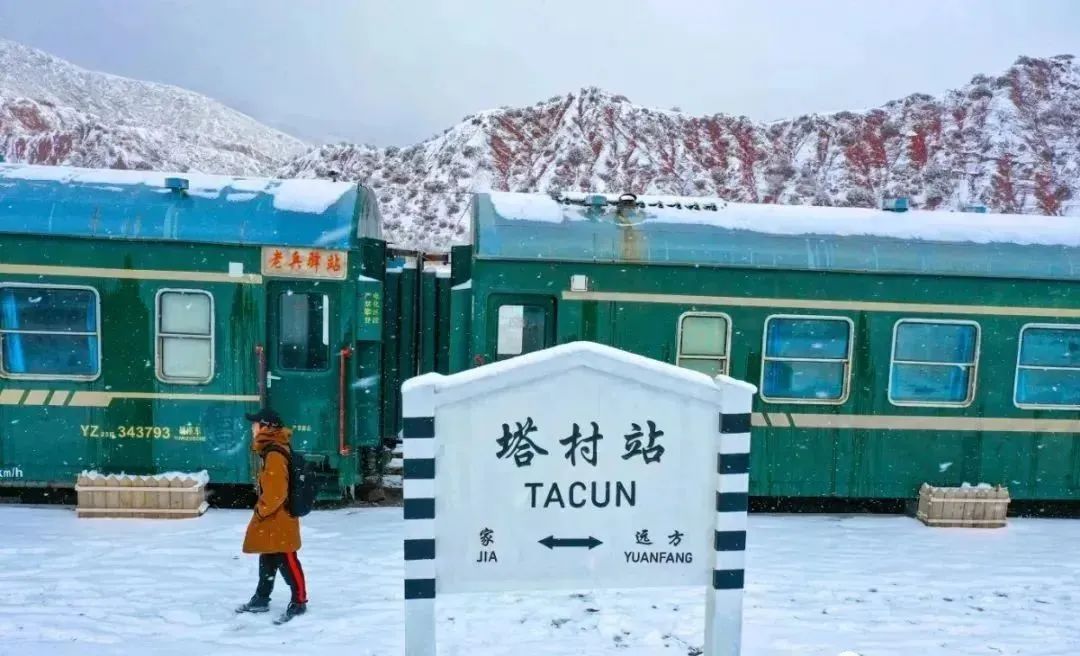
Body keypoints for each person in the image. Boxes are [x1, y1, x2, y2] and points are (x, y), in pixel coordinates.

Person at [235, 408, 308, 624]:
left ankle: (299, 601)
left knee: (287, 558)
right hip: (276, 516)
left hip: (279, 517)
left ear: (266, 427)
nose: (252, 428)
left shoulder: (274, 454)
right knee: (268, 556)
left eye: (255, 424)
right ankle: (261, 598)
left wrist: (261, 509)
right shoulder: (272, 449)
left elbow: (276, 493)